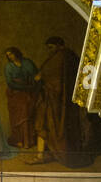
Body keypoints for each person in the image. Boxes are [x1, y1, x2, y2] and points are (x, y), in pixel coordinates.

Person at [31, 36, 86, 166]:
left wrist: (41, 78)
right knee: (60, 127)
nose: (49, 51)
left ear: (58, 45)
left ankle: (43, 155)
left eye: (51, 47)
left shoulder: (59, 58)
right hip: (65, 102)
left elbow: (50, 76)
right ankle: (49, 154)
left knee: (44, 125)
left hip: (54, 101)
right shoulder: (71, 57)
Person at [3, 47, 39, 149]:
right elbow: (10, 83)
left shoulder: (27, 63)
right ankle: (19, 140)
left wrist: (31, 85)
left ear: (17, 53)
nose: (10, 56)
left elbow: (35, 76)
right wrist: (26, 87)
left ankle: (29, 141)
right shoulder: (9, 67)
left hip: (29, 93)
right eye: (8, 55)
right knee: (17, 118)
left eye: (11, 54)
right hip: (15, 94)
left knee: (27, 116)